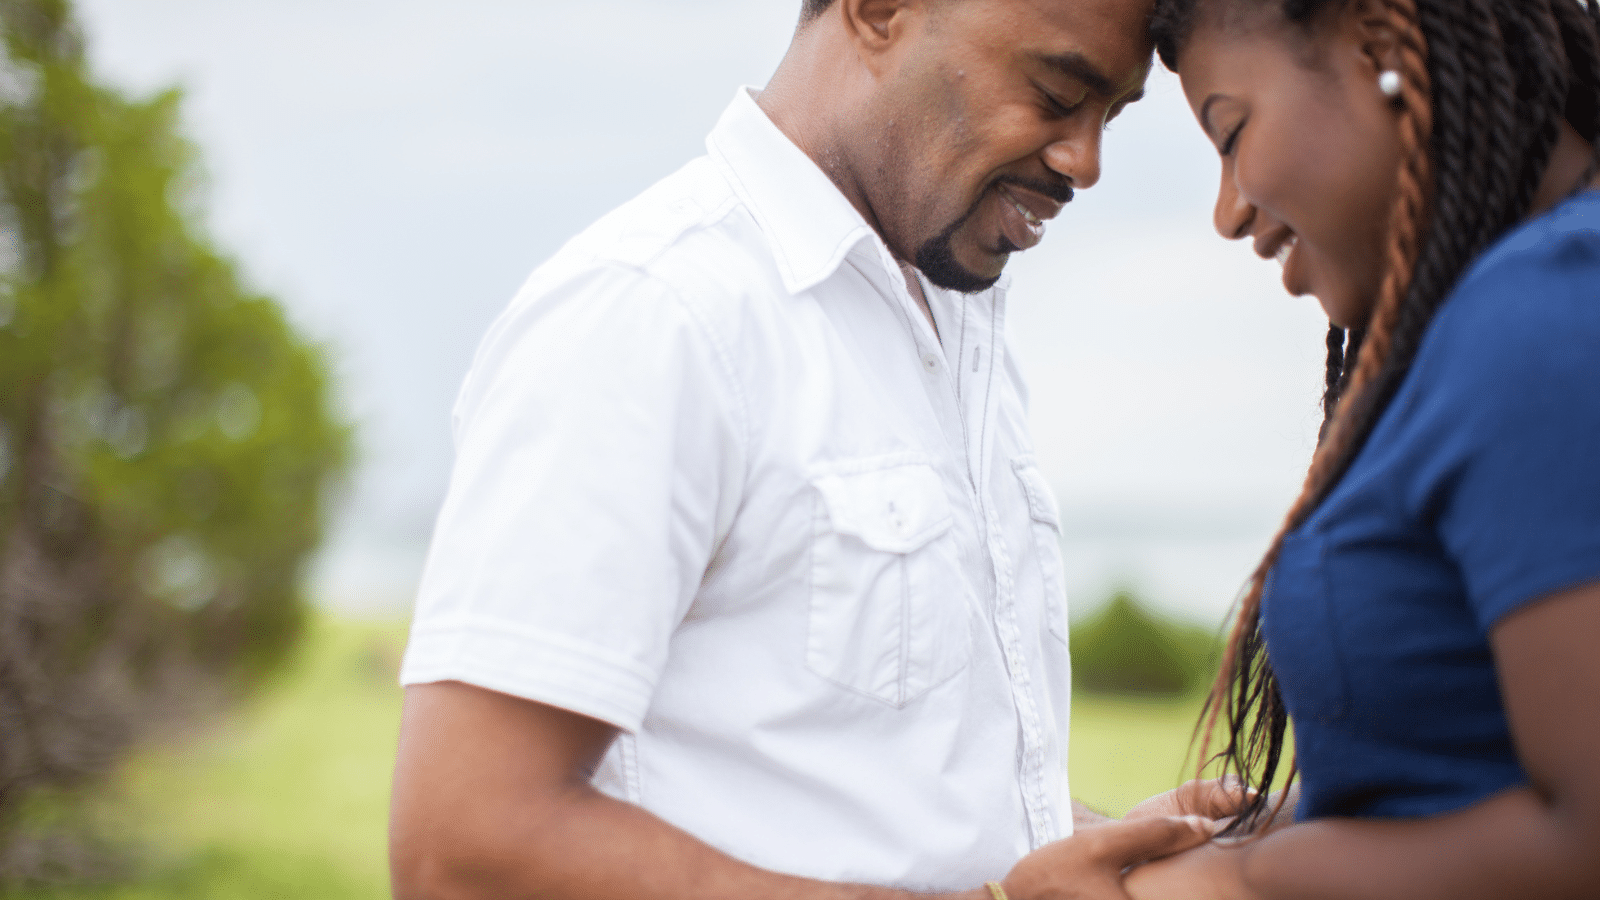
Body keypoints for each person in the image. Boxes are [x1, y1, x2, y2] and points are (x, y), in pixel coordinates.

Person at [388, 2, 1238, 899]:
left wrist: (1096, 848)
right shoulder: (654, 311)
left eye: (1114, 114)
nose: (1086, 161)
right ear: (877, 13)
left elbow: (843, 791)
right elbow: (465, 846)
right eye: (1058, 93)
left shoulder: (955, 314)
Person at [1116, 0, 1600, 897]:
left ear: (1380, 46)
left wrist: (1241, 885)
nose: (1227, 213)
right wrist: (1194, 846)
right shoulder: (1509, 316)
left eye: (1230, 134)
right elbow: (1459, 778)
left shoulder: (1551, 312)